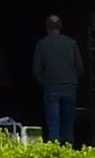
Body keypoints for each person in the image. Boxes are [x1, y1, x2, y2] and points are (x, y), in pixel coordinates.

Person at [29, 11, 85, 144]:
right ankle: (68, 153)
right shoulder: (71, 43)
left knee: (54, 125)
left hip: (51, 87)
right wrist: (73, 81)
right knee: (68, 125)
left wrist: (45, 82)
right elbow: (80, 67)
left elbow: (36, 69)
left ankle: (54, 155)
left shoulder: (42, 44)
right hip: (70, 87)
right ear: (61, 27)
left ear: (47, 27)